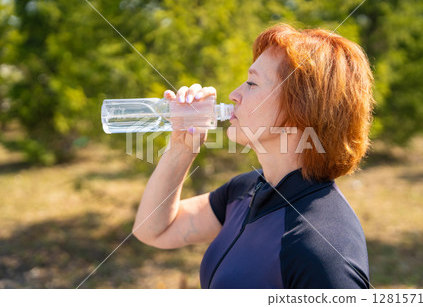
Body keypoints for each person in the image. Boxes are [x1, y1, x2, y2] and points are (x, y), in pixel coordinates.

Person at [132, 23, 374, 289]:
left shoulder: (320, 248)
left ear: (300, 107)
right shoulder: (246, 190)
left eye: (251, 83)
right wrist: (181, 145)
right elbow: (153, 230)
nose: (234, 95)